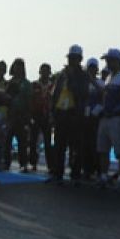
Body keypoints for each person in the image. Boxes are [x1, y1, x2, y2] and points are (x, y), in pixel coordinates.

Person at [46, 44, 88, 185]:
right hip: (61, 114)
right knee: (59, 146)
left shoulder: (83, 75)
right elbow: (55, 94)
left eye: (74, 58)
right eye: (70, 58)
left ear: (80, 59)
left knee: (75, 147)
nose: (71, 60)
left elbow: (82, 93)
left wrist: (71, 79)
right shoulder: (62, 75)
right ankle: (58, 173)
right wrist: (52, 112)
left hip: (74, 115)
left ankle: (75, 174)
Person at [96, 48, 120, 186]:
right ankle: (104, 176)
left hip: (118, 119)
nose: (107, 62)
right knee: (103, 149)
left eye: (109, 60)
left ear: (117, 61)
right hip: (105, 118)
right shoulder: (108, 77)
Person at [5, 58, 32, 172]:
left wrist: (28, 116)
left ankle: (23, 163)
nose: (18, 68)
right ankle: (6, 162)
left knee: (22, 141)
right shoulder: (9, 82)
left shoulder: (26, 83)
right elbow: (5, 98)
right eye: (16, 66)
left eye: (20, 66)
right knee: (7, 140)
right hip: (10, 115)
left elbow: (29, 100)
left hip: (22, 115)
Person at [81, 56, 104, 181]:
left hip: (96, 117)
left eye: (94, 68)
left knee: (96, 145)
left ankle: (98, 169)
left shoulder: (100, 82)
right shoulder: (83, 84)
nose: (92, 70)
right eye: (90, 67)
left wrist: (92, 81)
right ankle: (86, 169)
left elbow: (103, 96)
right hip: (85, 117)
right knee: (85, 145)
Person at [29, 63, 53, 173]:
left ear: (49, 72)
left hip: (47, 116)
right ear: (39, 72)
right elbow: (29, 100)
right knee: (33, 141)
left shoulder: (53, 86)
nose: (45, 73)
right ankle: (33, 163)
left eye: (47, 71)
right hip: (35, 115)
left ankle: (50, 165)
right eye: (43, 70)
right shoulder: (34, 85)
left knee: (48, 142)